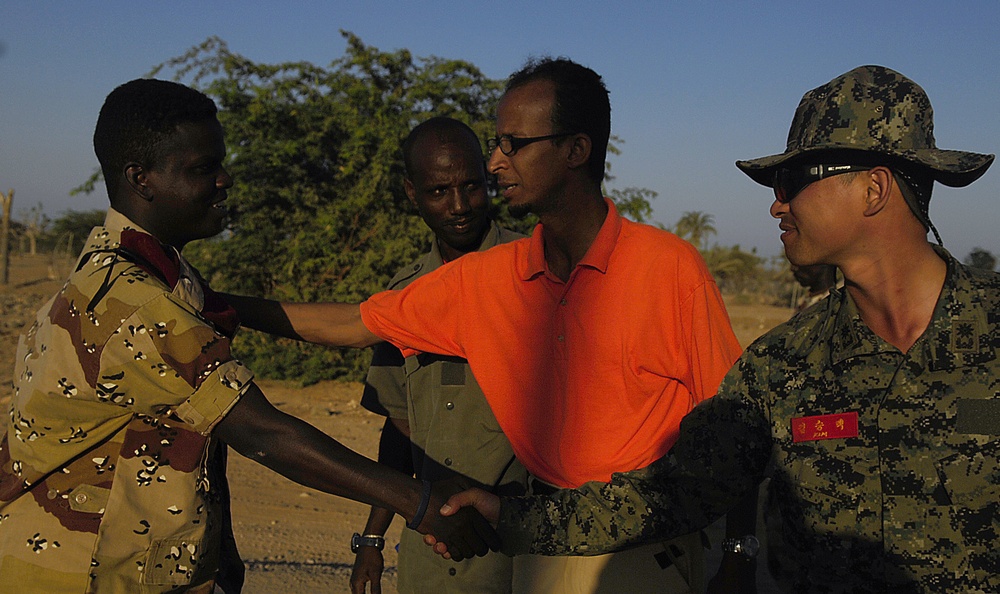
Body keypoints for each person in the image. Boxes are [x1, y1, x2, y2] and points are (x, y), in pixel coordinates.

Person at [435, 65, 999, 593]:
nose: (777, 205)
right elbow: (674, 492)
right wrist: (510, 516)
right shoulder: (783, 365)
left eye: (794, 179)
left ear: (875, 190)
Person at [225, 57, 752, 593]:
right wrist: (218, 303)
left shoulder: (668, 269)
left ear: (575, 149)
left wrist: (739, 552)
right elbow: (353, 322)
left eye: (513, 144)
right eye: (497, 144)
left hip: (639, 555)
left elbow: (738, 427)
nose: (496, 164)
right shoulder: (490, 279)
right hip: (538, 547)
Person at [0, 79, 496, 593]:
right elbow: (265, 434)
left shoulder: (150, 270)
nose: (224, 180)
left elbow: (353, 325)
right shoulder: (136, 301)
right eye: (202, 169)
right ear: (140, 179)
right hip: (78, 572)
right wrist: (418, 503)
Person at [350, 117, 528, 594]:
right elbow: (399, 427)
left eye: (471, 186)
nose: (459, 206)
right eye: (438, 192)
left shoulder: (534, 272)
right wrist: (372, 538)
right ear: (412, 193)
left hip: (519, 551)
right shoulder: (404, 293)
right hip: (430, 551)